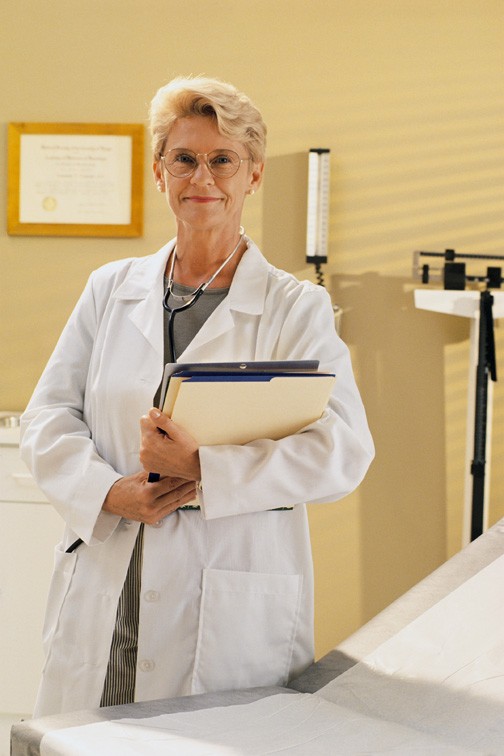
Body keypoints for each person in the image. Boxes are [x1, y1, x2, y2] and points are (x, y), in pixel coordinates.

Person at [20, 76, 374, 717]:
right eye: (184, 158)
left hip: (225, 598)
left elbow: (344, 449)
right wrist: (107, 491)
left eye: (222, 160)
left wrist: (207, 470)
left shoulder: (293, 308)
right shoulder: (110, 288)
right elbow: (48, 417)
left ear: (253, 176)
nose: (201, 177)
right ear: (160, 172)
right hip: (111, 576)